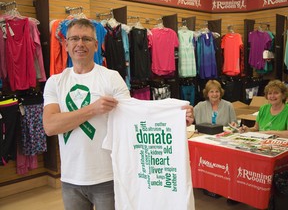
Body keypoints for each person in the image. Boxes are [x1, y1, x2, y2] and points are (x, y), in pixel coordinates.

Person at [42, 18, 193, 210]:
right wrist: (93, 109)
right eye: (74, 38)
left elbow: (136, 115)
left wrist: (174, 118)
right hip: (71, 179)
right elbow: (50, 125)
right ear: (65, 44)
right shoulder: (55, 82)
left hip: (108, 177)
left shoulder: (111, 77)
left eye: (87, 39)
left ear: (96, 45)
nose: (80, 44)